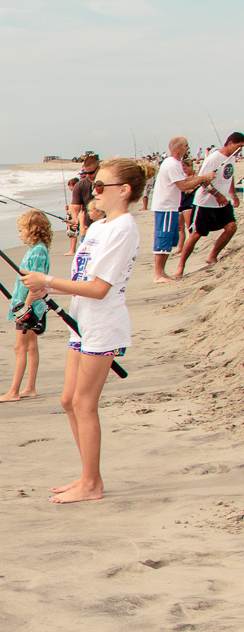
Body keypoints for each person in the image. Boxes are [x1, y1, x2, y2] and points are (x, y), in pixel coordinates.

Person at [20, 158, 143, 504]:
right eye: (93, 184)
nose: (93, 191)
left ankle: (91, 484)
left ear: (124, 190)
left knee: (84, 403)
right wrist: (47, 289)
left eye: (101, 186)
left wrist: (48, 280)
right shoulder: (99, 226)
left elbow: (100, 288)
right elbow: (81, 280)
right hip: (82, 323)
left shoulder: (124, 228)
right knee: (68, 400)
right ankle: (88, 475)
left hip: (103, 326)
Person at [0, 211, 51, 403]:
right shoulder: (36, 249)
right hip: (31, 306)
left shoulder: (38, 251)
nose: (18, 234)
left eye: (21, 230)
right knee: (31, 346)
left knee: (20, 347)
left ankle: (14, 391)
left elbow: (36, 282)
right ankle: (30, 388)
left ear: (33, 230)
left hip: (30, 308)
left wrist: (26, 308)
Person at [174, 131, 243, 277]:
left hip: (223, 202)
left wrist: (233, 194)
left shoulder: (232, 157)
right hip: (205, 203)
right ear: (230, 143)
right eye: (239, 146)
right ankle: (180, 266)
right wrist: (217, 195)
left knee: (231, 227)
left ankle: (212, 255)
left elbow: (230, 175)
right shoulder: (214, 158)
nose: (240, 150)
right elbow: (202, 180)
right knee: (196, 234)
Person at [152, 137, 216, 281]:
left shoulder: (173, 163)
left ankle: (162, 273)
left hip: (170, 206)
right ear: (178, 148)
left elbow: (184, 180)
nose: (188, 148)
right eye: (186, 146)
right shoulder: (172, 164)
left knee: (168, 239)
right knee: (163, 239)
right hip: (165, 207)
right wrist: (203, 178)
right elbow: (183, 186)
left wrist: (201, 178)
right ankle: (158, 274)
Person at [69, 154, 100, 244]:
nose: (88, 175)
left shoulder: (108, 183)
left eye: (91, 173)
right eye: (86, 173)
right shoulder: (79, 186)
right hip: (87, 228)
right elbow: (75, 209)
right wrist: (75, 220)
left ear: (98, 168)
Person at [64, 177, 80, 256]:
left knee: (72, 233)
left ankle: (72, 250)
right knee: (70, 233)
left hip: (74, 216)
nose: (69, 188)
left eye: (70, 186)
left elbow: (75, 207)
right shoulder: (74, 195)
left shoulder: (76, 195)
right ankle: (72, 249)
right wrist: (67, 209)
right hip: (71, 215)